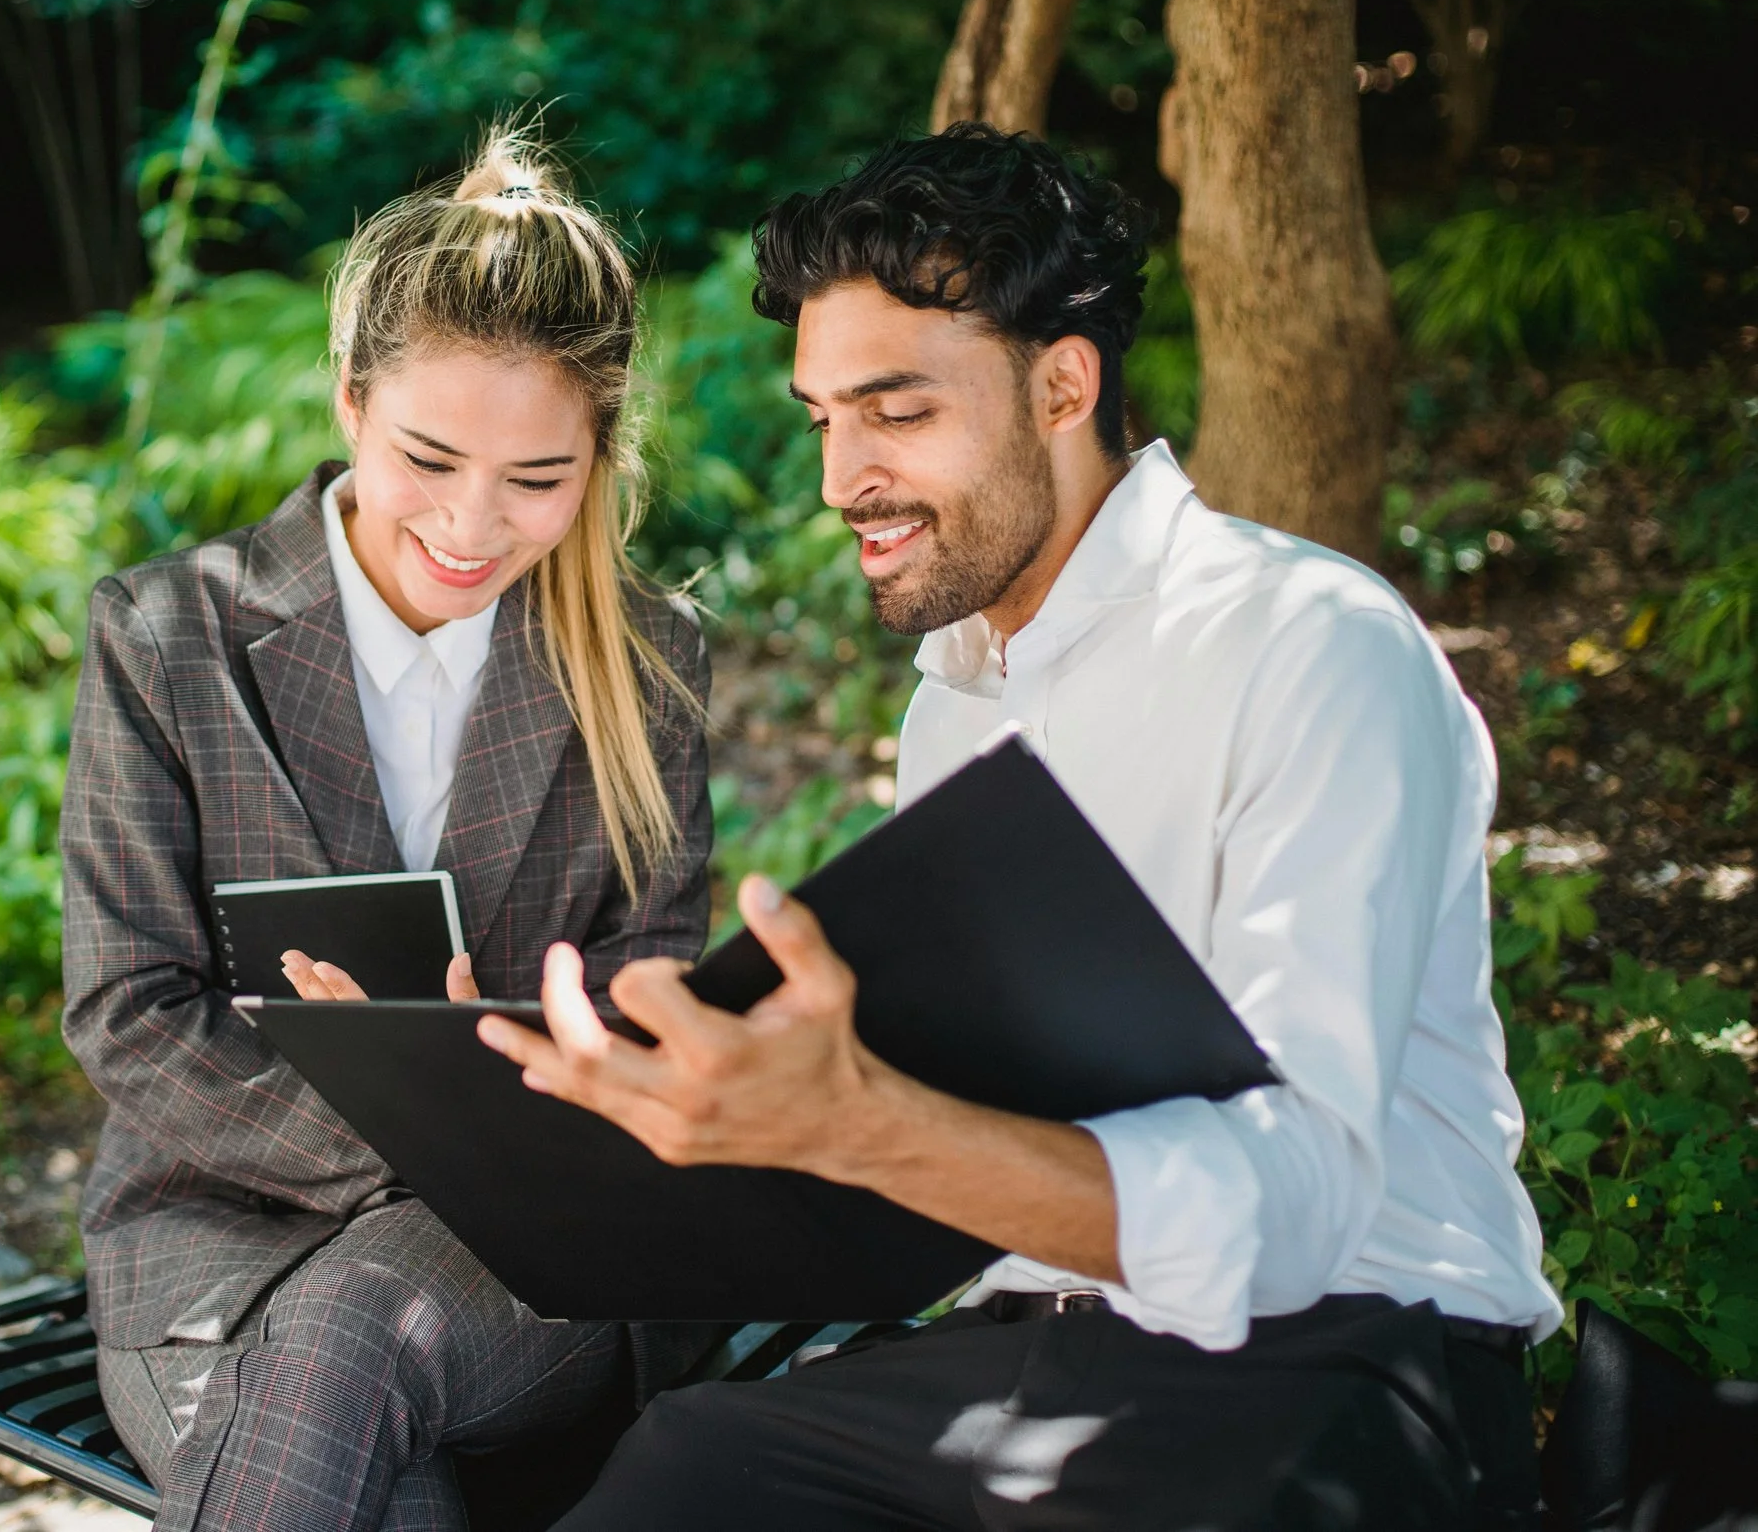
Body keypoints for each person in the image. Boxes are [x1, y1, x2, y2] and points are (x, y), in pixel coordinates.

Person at [481, 124, 1563, 1531]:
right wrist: (661, 1098)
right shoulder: (960, 704)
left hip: (1345, 1353)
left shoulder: (1314, 645)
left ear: (1064, 382)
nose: (838, 479)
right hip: (1021, 1351)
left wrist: (862, 1122)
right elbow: (949, 1134)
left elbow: (1294, 1211)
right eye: (824, 418)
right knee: (683, 1472)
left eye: (897, 412)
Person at [58, 130, 715, 1532]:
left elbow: (650, 985)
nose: (476, 524)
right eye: (430, 456)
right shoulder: (171, 636)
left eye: (540, 477)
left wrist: (504, 1096)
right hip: (214, 1239)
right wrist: (418, 1126)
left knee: (360, 1328)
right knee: (393, 1488)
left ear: (599, 457)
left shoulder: (646, 661)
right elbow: (127, 1008)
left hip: (521, 1251)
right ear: (350, 400)